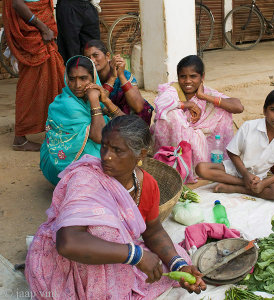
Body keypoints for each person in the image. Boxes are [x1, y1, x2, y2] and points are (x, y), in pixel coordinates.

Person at [25, 115, 206, 299]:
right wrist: (137, 256)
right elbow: (67, 243)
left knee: (177, 256)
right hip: (74, 260)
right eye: (104, 146)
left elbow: (153, 231)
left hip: (115, 253)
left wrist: (178, 266)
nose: (106, 156)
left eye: (117, 150)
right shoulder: (86, 180)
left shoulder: (147, 185)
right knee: (107, 232)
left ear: (140, 155)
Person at [151, 55, 244, 182]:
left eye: (193, 76)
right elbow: (160, 106)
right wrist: (185, 104)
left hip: (203, 150)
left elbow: (238, 107)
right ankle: (175, 165)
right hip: (174, 145)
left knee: (222, 108)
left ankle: (200, 165)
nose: (188, 81)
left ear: (202, 77)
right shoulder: (173, 90)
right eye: (183, 76)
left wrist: (203, 96)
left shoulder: (207, 93)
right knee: (171, 114)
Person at [196, 88, 274, 200]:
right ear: (264, 110)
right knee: (201, 168)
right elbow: (232, 152)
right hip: (236, 170)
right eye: (273, 109)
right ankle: (244, 184)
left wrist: (263, 183)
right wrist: (245, 175)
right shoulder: (249, 126)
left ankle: (237, 189)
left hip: (260, 177)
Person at [40, 55, 125, 186]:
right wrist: (94, 100)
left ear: (93, 78)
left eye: (83, 78)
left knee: (124, 138)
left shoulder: (83, 98)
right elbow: (99, 137)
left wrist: (106, 100)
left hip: (64, 164)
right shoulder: (68, 105)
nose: (77, 85)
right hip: (61, 168)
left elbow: (127, 124)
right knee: (118, 153)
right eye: (72, 79)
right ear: (66, 79)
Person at [3, 0, 65, 151]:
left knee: (52, 81)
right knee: (29, 86)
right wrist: (43, 27)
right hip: (34, 35)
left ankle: (53, 128)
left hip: (40, 34)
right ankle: (20, 138)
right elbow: (17, 4)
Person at [83, 39, 153, 125]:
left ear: (107, 56)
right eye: (88, 58)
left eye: (95, 55)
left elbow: (138, 107)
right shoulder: (87, 78)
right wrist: (112, 77)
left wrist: (121, 75)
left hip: (127, 122)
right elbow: (98, 105)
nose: (92, 60)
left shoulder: (125, 75)